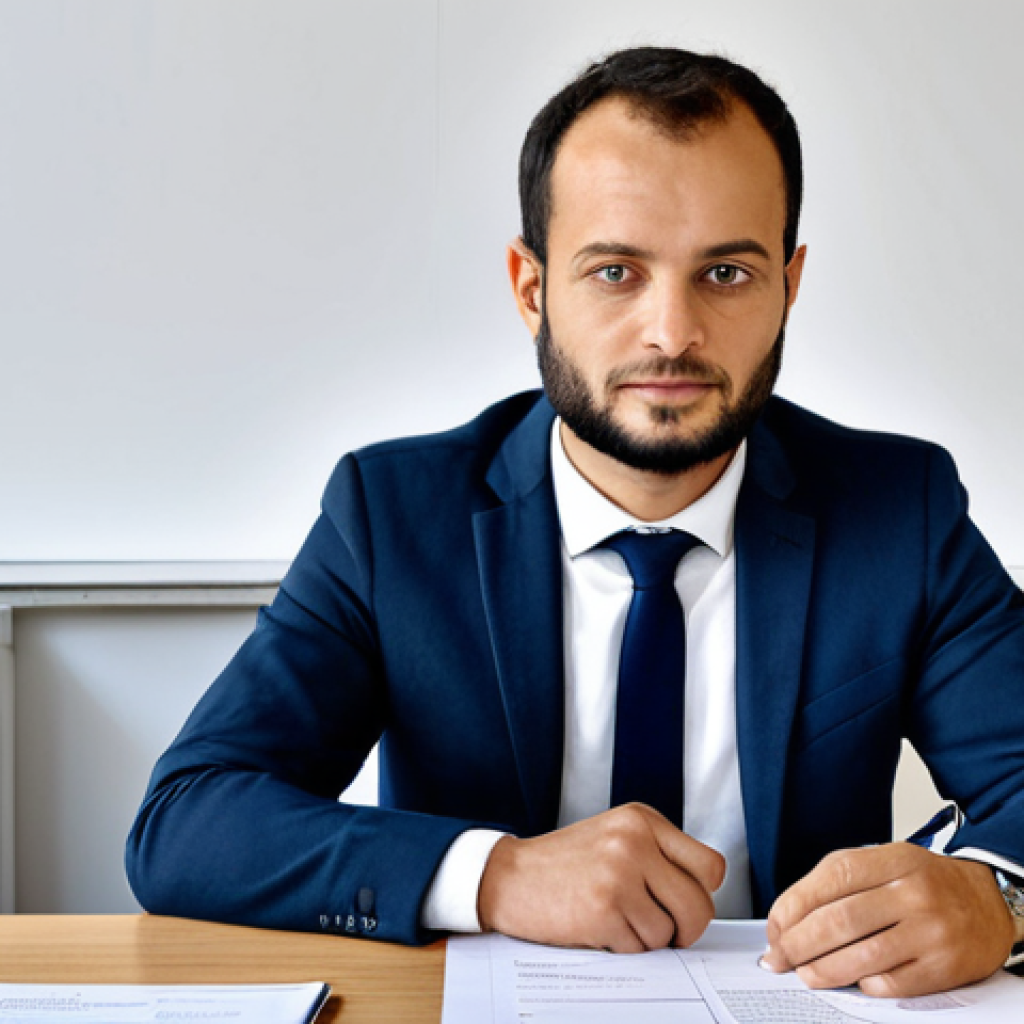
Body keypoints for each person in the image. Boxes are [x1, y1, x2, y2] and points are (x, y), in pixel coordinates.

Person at [126, 47, 1024, 997]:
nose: (671, 332)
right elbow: (188, 822)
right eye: (614, 272)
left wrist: (1002, 898)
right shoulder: (392, 517)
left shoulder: (902, 509)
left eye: (724, 272)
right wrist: (496, 875)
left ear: (789, 287)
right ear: (531, 287)